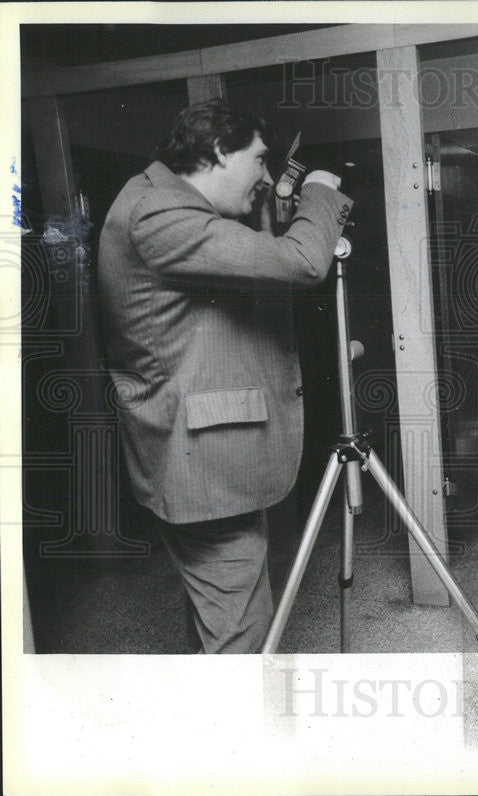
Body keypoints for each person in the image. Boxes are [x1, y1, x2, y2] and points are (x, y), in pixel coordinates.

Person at [97, 100, 353, 652]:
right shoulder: (158, 214)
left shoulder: (159, 201)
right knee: (241, 636)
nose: (265, 177)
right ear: (218, 150)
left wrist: (277, 205)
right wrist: (321, 192)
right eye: (259, 161)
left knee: (221, 616)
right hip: (201, 469)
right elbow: (300, 264)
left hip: (195, 459)